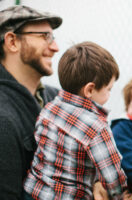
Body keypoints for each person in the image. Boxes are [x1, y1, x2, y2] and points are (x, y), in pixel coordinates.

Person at [23, 41, 127, 200]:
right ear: (90, 90)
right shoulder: (96, 127)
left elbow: (39, 142)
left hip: (33, 192)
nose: (109, 95)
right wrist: (119, 195)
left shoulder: (49, 107)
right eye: (109, 89)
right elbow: (112, 176)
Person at [0, 5, 62, 199]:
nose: (55, 47)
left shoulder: (57, 98)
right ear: (12, 42)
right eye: (45, 36)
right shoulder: (3, 119)